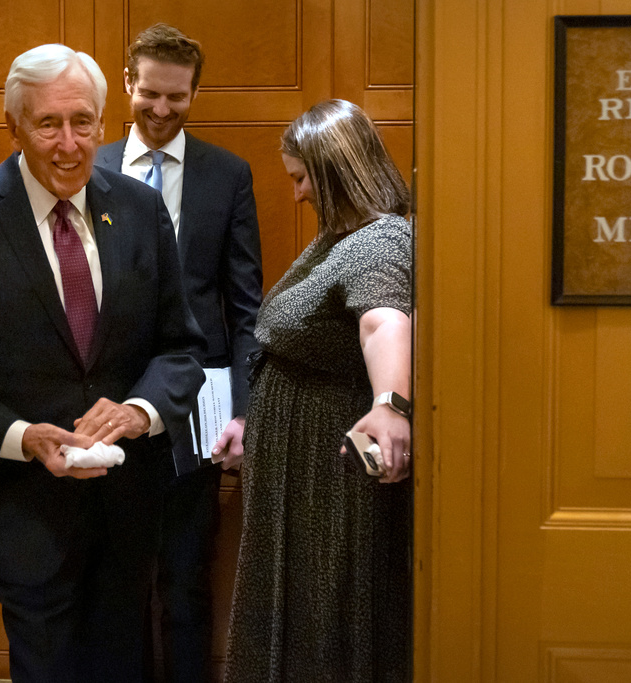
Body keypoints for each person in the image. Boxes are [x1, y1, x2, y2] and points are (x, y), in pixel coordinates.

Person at [0, 43, 206, 683]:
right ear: (14, 125)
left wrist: (139, 410)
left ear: (101, 120)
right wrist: (21, 436)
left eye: (83, 122)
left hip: (128, 511)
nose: (69, 144)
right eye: (48, 124)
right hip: (24, 516)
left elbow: (180, 347)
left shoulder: (143, 211)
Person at [95, 23, 262, 681]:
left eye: (178, 97)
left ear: (195, 92)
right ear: (128, 84)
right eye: (150, 95)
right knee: (119, 581)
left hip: (201, 408)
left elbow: (245, 307)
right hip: (108, 403)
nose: (162, 111)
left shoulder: (228, 176)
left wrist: (244, 413)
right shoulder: (94, 167)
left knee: (188, 574)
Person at [225, 99, 413, 682]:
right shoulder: (340, 236)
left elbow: (384, 321)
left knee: (324, 606)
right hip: (298, 459)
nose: (299, 193)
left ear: (335, 172)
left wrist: (390, 405)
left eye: (303, 178)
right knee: (299, 601)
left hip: (326, 465)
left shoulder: (379, 241)